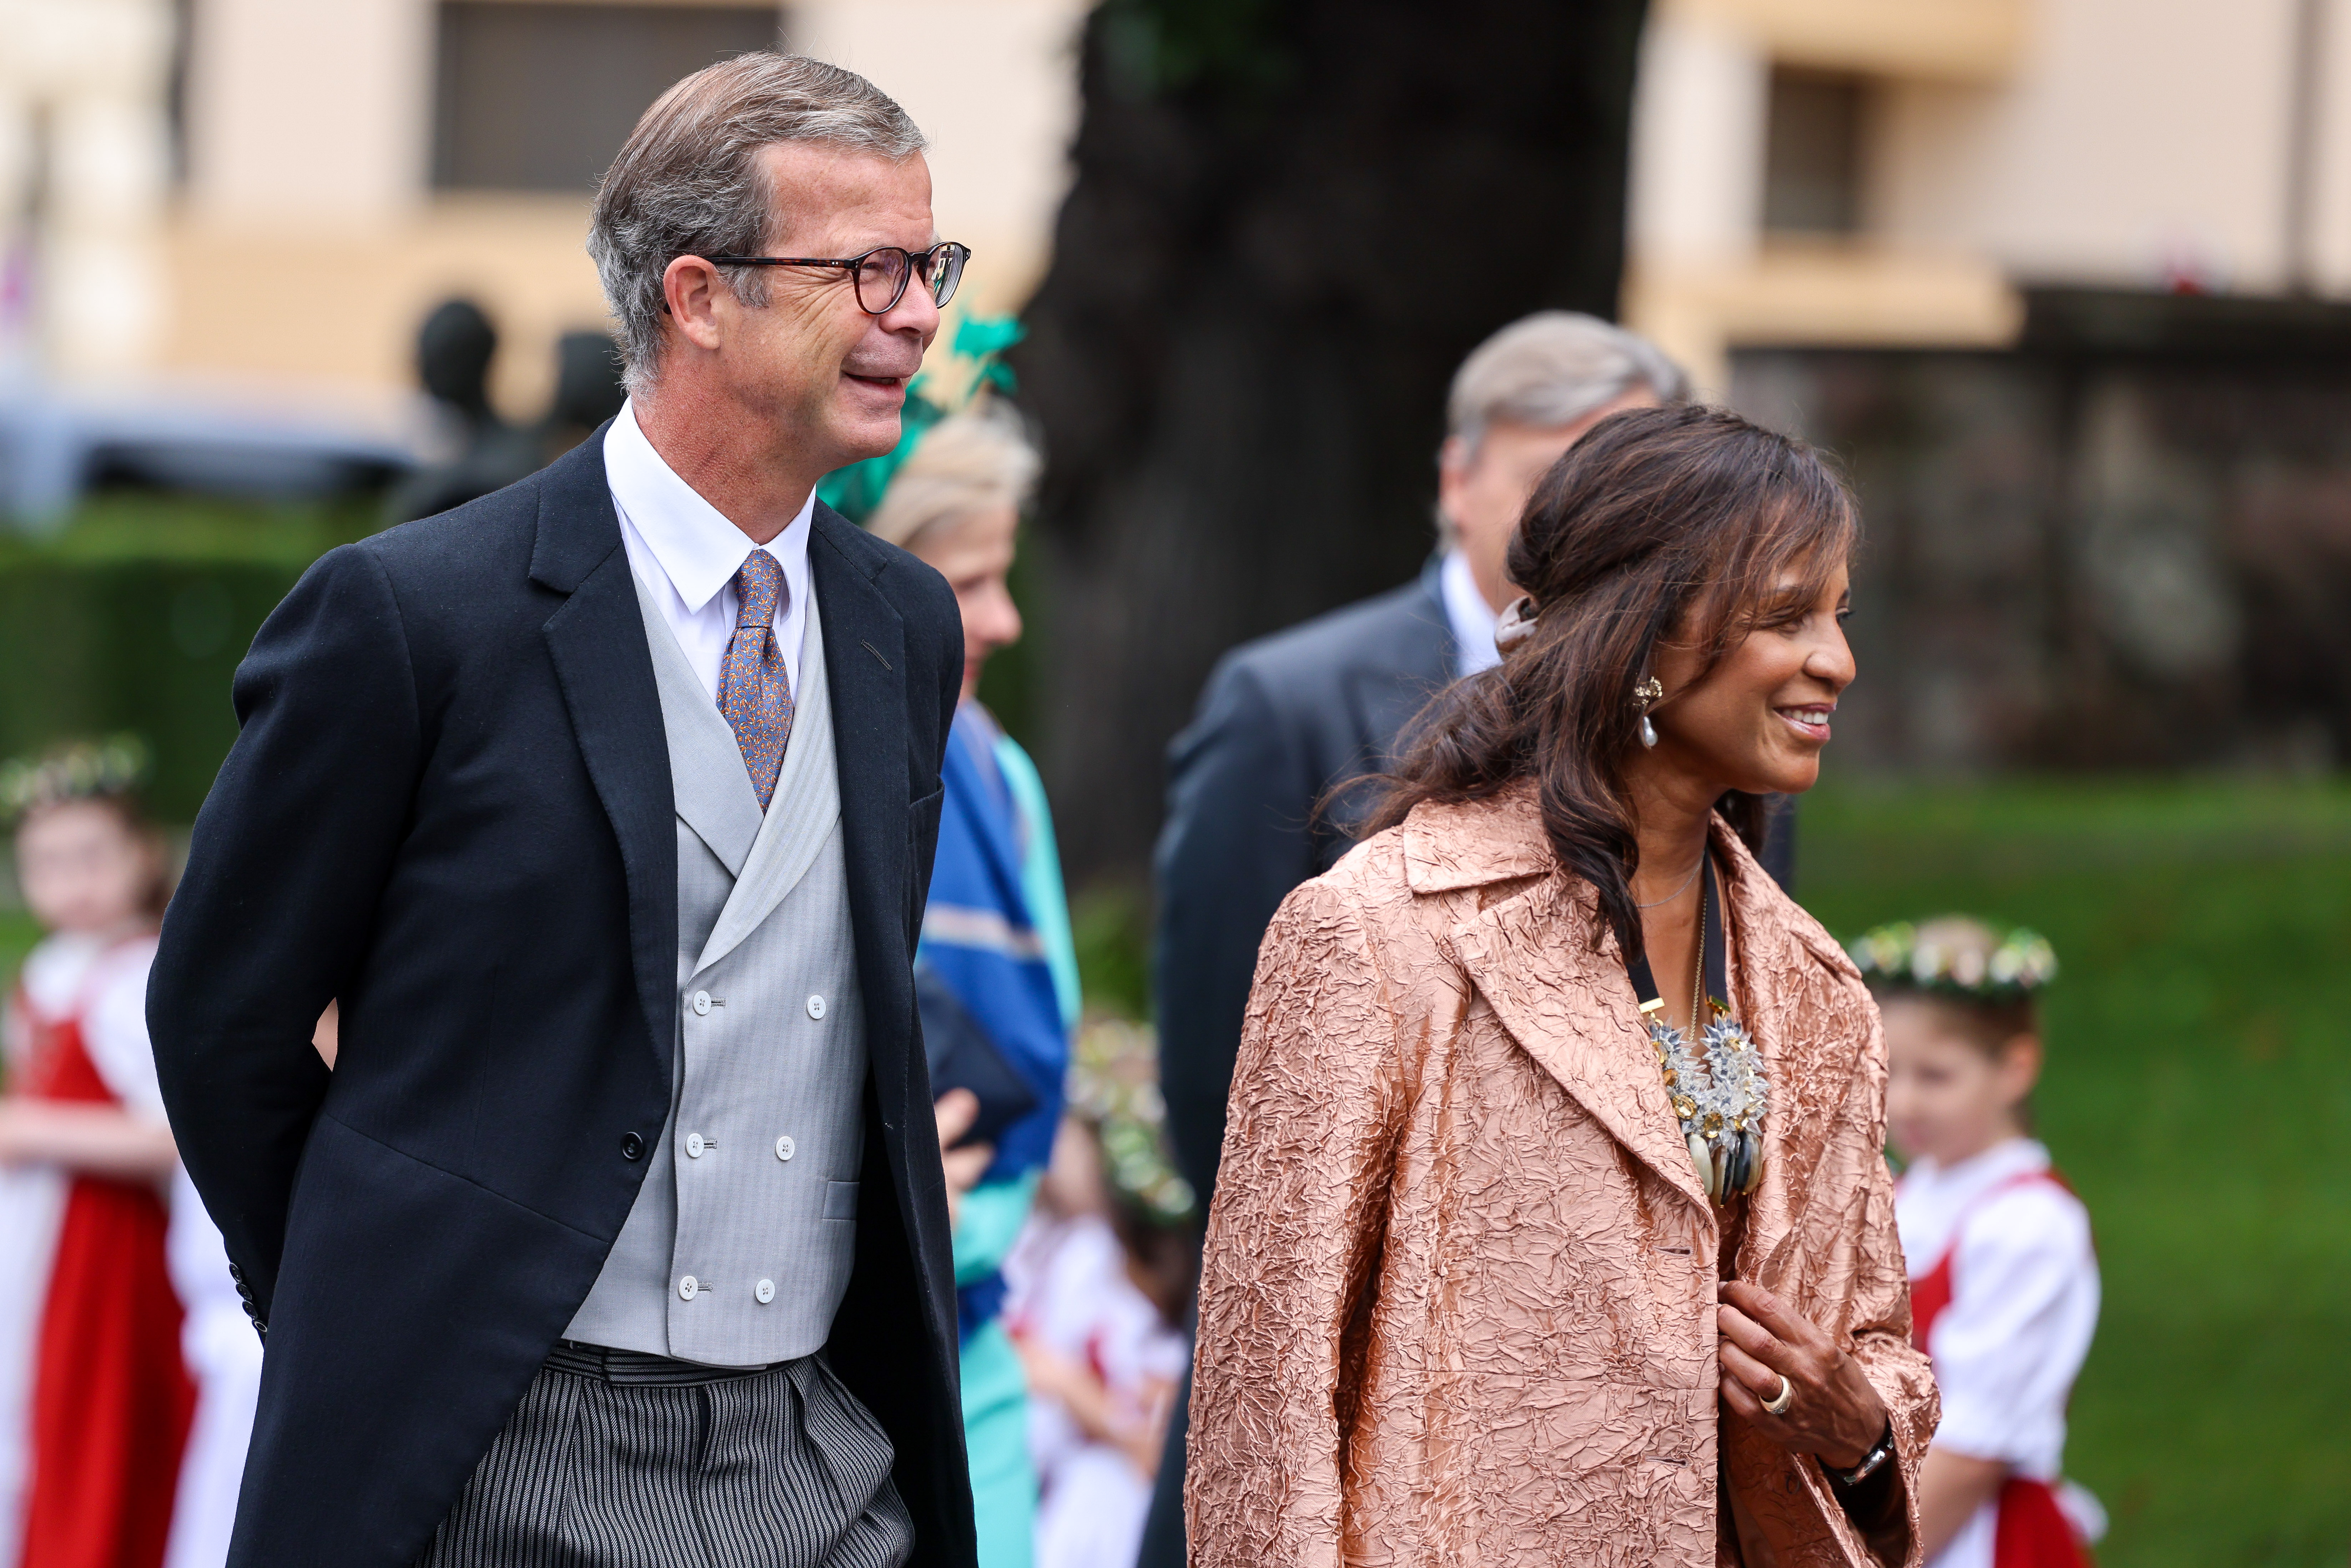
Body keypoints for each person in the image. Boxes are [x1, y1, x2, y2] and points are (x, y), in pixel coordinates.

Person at [149, 54, 979, 1568]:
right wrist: (371, 1305)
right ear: (695, 295)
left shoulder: (902, 626)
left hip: (823, 1454)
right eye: (866, 268)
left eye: (926, 264)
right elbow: (223, 1022)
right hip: (492, 1449)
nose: (917, 312)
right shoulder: (411, 618)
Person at [1185, 404, 1939, 1566]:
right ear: (1646, 633)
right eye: (1786, 615)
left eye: (1837, 615)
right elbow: (1262, 1407)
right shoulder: (1377, 936)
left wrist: (1858, 1427)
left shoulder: (1814, 987)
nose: (1834, 660)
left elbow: (1871, 1344)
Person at [1141, 311, 1708, 1561]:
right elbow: (1209, 1068)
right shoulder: (1286, 702)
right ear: (1457, 479)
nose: (1586, 527)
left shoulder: (1701, 736)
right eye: (1548, 479)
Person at [861, 397, 1077, 1568]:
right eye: (970, 577)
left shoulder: (1003, 782)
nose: (1002, 616)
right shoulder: (792, 758)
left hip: (972, 1349)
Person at [0, 739, 193, 1568]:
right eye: (46, 862)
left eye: (91, 856)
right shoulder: (49, 971)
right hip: (41, 1240)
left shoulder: (138, 975)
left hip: (107, 1247)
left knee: (97, 1409)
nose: (71, 881)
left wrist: (34, 1131)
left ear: (142, 852)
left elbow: (175, 1134)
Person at [1857, 919, 2101, 1568]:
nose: (1902, 1100)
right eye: (1890, 1070)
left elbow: (1970, 1452)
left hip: (1965, 1536)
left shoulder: (2026, 1225)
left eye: (1935, 1076)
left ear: (2015, 1066)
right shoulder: (1909, 1194)